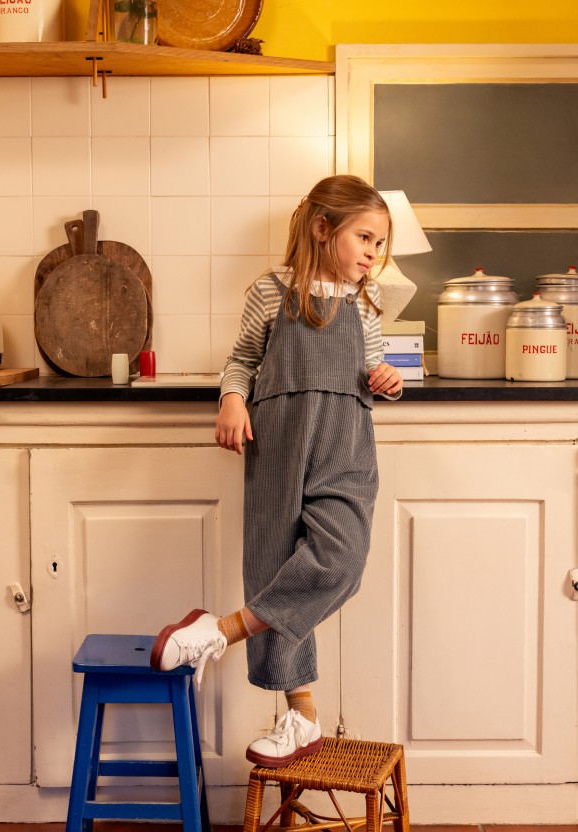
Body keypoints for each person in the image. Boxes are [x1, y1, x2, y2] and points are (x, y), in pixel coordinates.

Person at [150, 174, 403, 768]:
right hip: (279, 447)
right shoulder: (272, 292)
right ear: (323, 229)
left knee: (340, 558)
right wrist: (232, 399)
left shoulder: (366, 307)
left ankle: (221, 630)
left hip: (344, 449)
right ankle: (301, 718)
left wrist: (388, 381)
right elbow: (241, 361)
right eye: (364, 238)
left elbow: (371, 370)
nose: (372, 254)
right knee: (276, 566)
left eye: (379, 245)